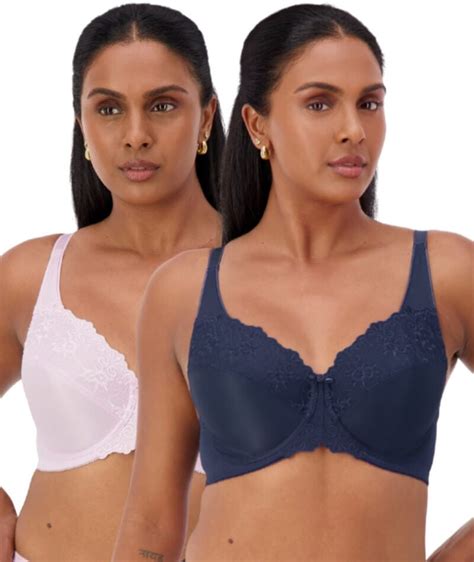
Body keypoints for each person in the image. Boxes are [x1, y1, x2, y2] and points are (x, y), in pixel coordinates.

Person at [112, 4, 473, 562]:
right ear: (258, 125)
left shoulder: (445, 271)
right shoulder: (183, 290)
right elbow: (152, 521)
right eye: (320, 103)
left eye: (369, 103)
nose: (353, 129)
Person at [0, 4, 224, 561]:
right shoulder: (32, 276)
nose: (136, 135)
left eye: (163, 105)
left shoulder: (275, 270)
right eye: (108, 109)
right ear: (81, 124)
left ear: (205, 118)